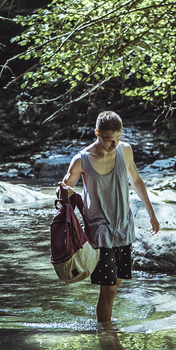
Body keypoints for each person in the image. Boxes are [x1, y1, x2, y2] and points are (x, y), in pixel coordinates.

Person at [60, 111, 160, 323]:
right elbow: (64, 189)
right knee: (109, 288)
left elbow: (137, 181)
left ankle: (104, 322)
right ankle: (106, 335)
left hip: (123, 226)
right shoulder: (82, 159)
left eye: (117, 139)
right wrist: (64, 192)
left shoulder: (125, 151)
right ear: (97, 133)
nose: (113, 145)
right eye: (108, 140)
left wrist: (152, 213)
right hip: (99, 230)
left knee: (118, 282)